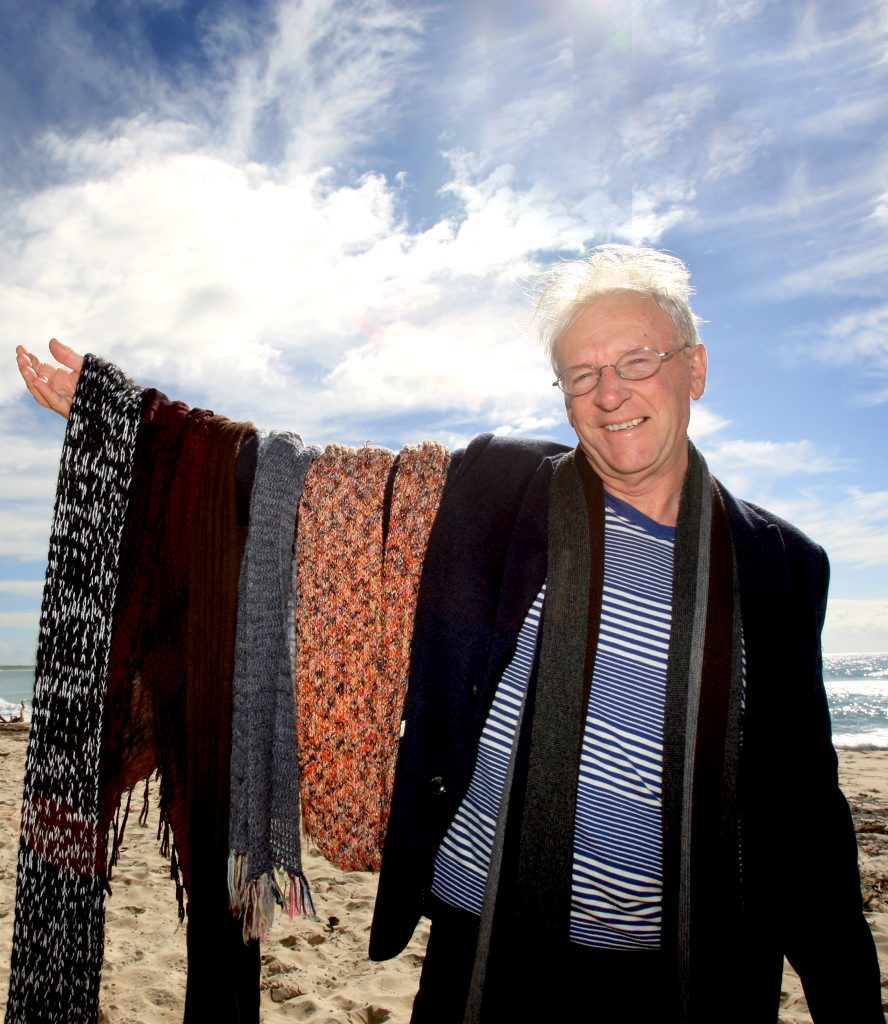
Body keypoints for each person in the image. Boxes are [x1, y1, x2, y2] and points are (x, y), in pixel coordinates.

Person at [15, 245, 884, 1023]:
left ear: (693, 369)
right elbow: (312, 485)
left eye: (635, 362)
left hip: (677, 971)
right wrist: (141, 426)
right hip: (479, 945)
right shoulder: (502, 490)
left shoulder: (780, 565)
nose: (609, 394)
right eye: (581, 375)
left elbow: (803, 809)